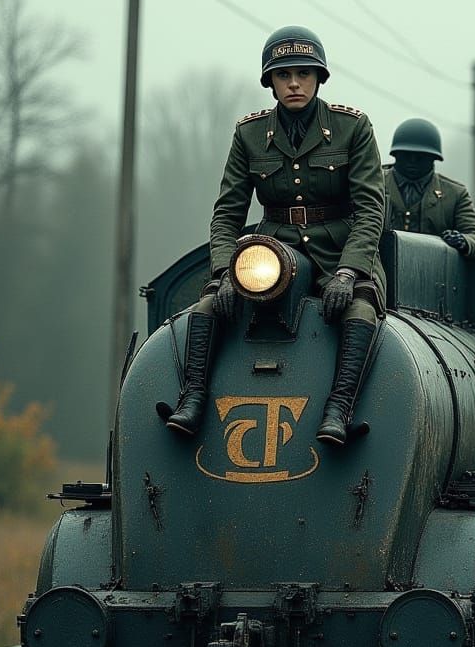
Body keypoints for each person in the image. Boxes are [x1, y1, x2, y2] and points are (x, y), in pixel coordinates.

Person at [163, 25, 387, 447]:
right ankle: (192, 399)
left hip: (340, 248)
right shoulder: (249, 133)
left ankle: (339, 408)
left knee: (359, 310)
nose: (295, 83)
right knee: (210, 305)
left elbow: (371, 208)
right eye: (284, 75)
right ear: (270, 82)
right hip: (273, 249)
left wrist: (348, 271)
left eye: (304, 73)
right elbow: (228, 212)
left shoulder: (351, 127)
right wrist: (226, 271)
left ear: (320, 78)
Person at [383, 118, 475, 258]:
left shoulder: (454, 194)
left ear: (433, 158)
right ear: (395, 154)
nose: (413, 161)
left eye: (420, 157)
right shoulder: (373, 183)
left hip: (432, 270)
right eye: (407, 155)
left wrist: (462, 241)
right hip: (379, 268)